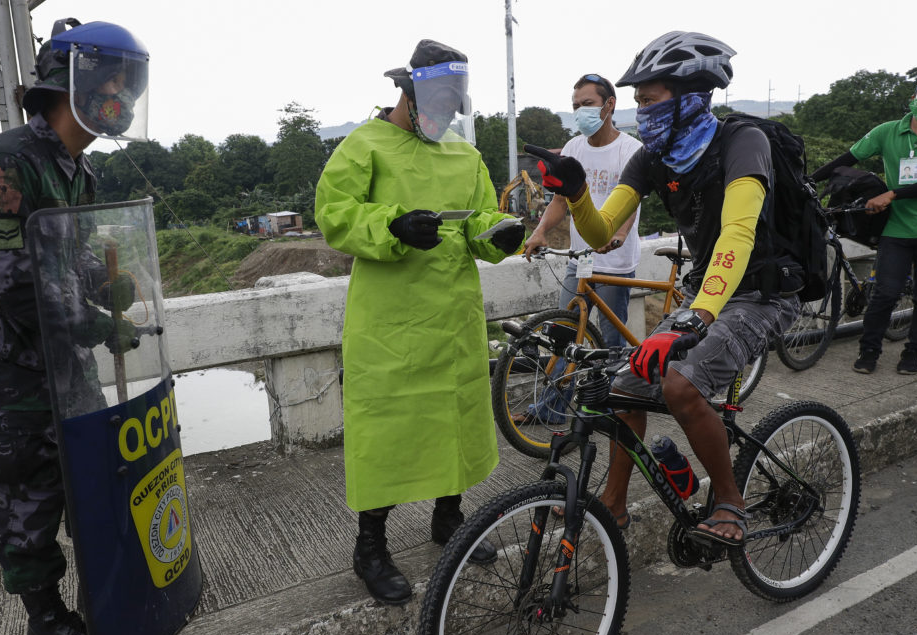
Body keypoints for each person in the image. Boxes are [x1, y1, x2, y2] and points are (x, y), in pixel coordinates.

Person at [526, 31, 800, 546]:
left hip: (762, 290)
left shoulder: (743, 142)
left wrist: (698, 317)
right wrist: (577, 190)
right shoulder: (653, 157)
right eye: (637, 102)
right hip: (711, 292)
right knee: (627, 385)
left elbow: (737, 234)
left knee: (680, 384)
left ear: (691, 96)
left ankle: (728, 502)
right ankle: (614, 503)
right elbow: (603, 231)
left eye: (649, 100)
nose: (640, 111)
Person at [0, 18, 148, 635]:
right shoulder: (6, 165)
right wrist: (97, 324)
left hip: (67, 369)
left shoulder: (77, 173)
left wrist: (111, 282)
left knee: (93, 483)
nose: (121, 92)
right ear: (70, 82)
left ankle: (105, 598)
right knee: (30, 502)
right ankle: (47, 621)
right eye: (110, 78)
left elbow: (74, 260)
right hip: (11, 378)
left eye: (129, 80)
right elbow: (15, 284)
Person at [315, 39, 525, 605]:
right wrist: (392, 226)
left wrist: (500, 233)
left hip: (453, 314)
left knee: (454, 418)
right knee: (384, 431)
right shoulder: (365, 146)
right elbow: (335, 216)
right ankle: (370, 547)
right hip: (388, 322)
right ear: (406, 93)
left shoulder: (463, 155)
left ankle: (448, 520)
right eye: (437, 103)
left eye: (454, 106)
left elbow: (480, 221)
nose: (446, 116)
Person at [517, 73, 642, 428]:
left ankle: (609, 406)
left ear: (609, 105)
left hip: (614, 263)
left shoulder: (630, 150)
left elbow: (630, 205)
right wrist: (540, 231)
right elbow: (560, 199)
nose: (580, 112)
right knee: (563, 334)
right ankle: (550, 408)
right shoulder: (573, 148)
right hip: (579, 260)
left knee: (610, 342)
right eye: (575, 106)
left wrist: (617, 235)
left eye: (587, 104)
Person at [811, 74, 917, 375]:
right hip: (896, 228)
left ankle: (914, 352)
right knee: (885, 293)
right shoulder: (887, 132)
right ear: (913, 97)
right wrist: (808, 182)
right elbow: (847, 159)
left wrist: (892, 193)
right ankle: (869, 350)